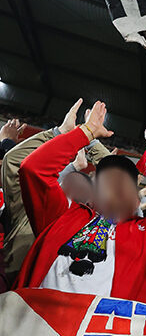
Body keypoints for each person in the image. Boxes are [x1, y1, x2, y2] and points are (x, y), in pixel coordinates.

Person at [16, 93, 146, 304]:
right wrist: (85, 132)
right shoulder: (63, 214)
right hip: (36, 326)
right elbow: (33, 169)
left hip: (101, 335)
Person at [1, 100, 111, 283]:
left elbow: (121, 182)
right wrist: (63, 133)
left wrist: (89, 138)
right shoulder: (33, 211)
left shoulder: (99, 227)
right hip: (15, 293)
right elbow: (14, 162)